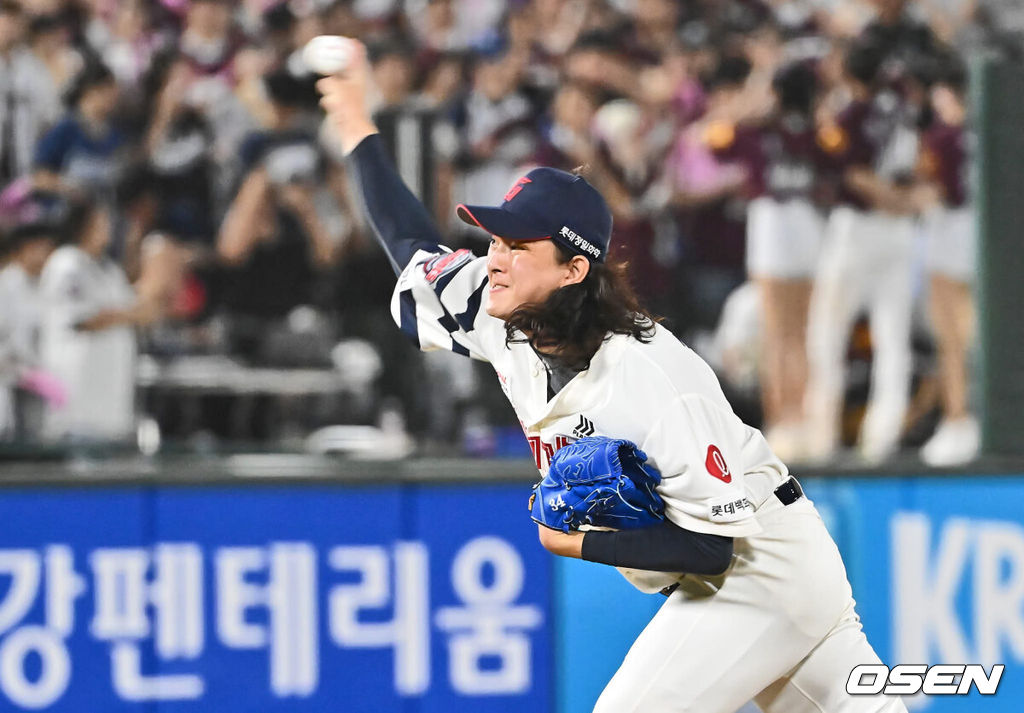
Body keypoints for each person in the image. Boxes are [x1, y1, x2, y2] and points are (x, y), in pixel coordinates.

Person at [316, 39, 905, 713]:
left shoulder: (653, 375)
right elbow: (408, 243)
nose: (495, 257)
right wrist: (357, 125)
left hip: (756, 571)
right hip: (778, 571)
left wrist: (576, 540)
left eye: (518, 245)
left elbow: (712, 549)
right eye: (497, 240)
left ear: (573, 268)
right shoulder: (495, 302)